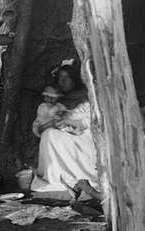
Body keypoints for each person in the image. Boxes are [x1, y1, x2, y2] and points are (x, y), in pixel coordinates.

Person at [33, 62, 98, 191]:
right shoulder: (54, 101)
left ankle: (81, 175)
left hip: (84, 136)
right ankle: (57, 176)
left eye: (66, 78)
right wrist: (50, 124)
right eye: (60, 78)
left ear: (74, 79)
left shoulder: (87, 97)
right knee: (49, 134)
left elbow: (93, 120)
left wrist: (72, 123)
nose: (62, 81)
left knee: (52, 135)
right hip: (62, 135)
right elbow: (37, 127)